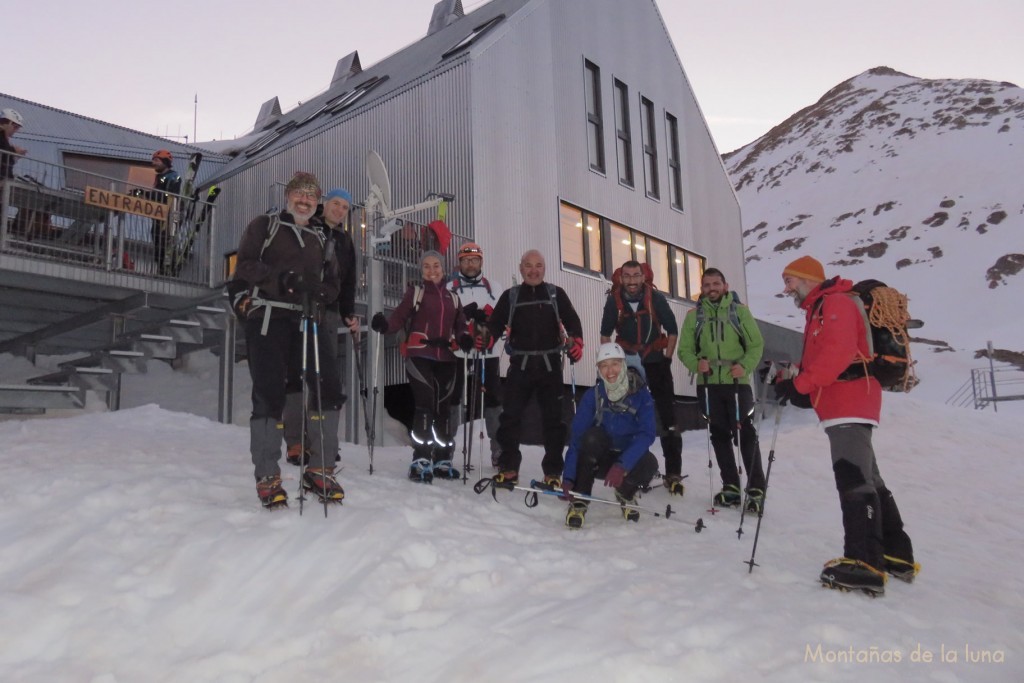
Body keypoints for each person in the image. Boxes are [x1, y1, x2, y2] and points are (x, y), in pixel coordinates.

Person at [776, 255, 917, 595]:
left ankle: (865, 563)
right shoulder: (824, 307)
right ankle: (896, 554)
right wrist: (797, 377)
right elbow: (824, 356)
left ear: (807, 278)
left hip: (847, 401)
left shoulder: (835, 303)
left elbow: (836, 356)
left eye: (790, 280)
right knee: (870, 477)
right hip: (850, 401)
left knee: (853, 478)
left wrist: (799, 387)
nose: (787, 288)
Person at [229, 172, 343, 508]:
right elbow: (245, 265)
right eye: (300, 195)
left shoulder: (323, 238)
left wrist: (321, 291)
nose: (305, 202)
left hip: (308, 318)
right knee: (269, 393)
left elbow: (333, 281)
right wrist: (283, 279)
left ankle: (321, 467)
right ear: (289, 196)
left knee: (328, 388)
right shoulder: (265, 226)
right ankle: (267, 475)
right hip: (269, 317)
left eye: (311, 197)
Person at [480, 249, 584, 487]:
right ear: (520, 268)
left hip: (550, 367)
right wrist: (485, 337)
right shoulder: (511, 296)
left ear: (544, 268)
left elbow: (573, 322)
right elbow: (494, 326)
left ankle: (553, 472)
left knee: (554, 423)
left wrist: (577, 342)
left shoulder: (556, 294)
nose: (533, 270)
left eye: (538, 265)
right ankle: (508, 468)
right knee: (510, 419)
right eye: (528, 265)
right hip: (521, 367)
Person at [371, 250, 469, 483]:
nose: (432, 270)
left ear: (443, 269)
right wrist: (384, 326)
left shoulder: (453, 297)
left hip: (446, 357)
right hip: (419, 354)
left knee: (443, 409)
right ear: (421, 269)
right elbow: (398, 317)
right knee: (425, 405)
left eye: (436, 266)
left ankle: (443, 458)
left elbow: (461, 324)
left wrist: (464, 336)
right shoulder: (415, 292)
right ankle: (421, 458)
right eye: (427, 266)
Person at [281, 187, 360, 467]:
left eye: (345, 208)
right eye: (336, 204)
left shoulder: (345, 240)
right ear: (324, 204)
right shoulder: (307, 227)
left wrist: (348, 312)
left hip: (326, 312)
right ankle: (295, 441)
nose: (339, 210)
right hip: (297, 307)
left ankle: (322, 441)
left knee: (322, 378)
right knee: (295, 373)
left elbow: (349, 280)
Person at [678, 268, 767, 512]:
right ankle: (731, 487)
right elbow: (684, 349)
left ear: (725, 286)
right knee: (718, 435)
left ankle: (756, 488)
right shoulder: (693, 317)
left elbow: (756, 344)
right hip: (708, 385)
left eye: (716, 283)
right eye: (707, 285)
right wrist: (697, 364)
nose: (712, 288)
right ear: (702, 288)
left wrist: (746, 366)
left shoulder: (739, 312)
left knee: (745, 433)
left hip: (737, 383)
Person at [600, 260, 683, 495]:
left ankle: (673, 471)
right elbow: (605, 334)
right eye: (627, 276)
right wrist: (609, 364)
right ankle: (625, 465)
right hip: (626, 362)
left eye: (636, 275)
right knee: (623, 414)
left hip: (655, 360)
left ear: (643, 276)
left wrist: (666, 359)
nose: (632, 281)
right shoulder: (613, 301)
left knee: (668, 416)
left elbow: (672, 328)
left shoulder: (655, 298)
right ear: (621, 278)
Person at [560, 343, 659, 529]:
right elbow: (576, 441)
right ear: (598, 370)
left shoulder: (641, 395)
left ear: (623, 364)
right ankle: (580, 498)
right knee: (590, 438)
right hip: (599, 460)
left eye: (614, 364)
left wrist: (623, 465)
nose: (610, 371)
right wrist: (568, 478)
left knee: (650, 464)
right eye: (604, 365)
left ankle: (625, 493)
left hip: (625, 463)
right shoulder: (593, 395)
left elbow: (647, 434)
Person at [447, 242, 503, 468]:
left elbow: (502, 319)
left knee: (494, 399)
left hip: (488, 352)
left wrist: (489, 326)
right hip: (459, 350)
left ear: (481, 262)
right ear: (459, 262)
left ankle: (498, 450)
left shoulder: (494, 287)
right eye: (466, 260)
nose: (470, 264)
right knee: (452, 398)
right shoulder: (450, 286)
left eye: (475, 260)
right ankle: (446, 449)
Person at [147, 149, 182, 275]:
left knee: (164, 242)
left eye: (156, 160)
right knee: (157, 242)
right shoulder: (160, 178)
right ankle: (161, 268)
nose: (153, 163)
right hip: (158, 215)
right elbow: (155, 195)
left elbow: (170, 195)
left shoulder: (173, 176)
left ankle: (168, 269)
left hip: (167, 216)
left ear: (165, 162)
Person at [0, 108, 27, 180]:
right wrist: (14, 151)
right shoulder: (2, 138)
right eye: (15, 127)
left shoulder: (4, 139)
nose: (16, 130)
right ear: (8, 124)